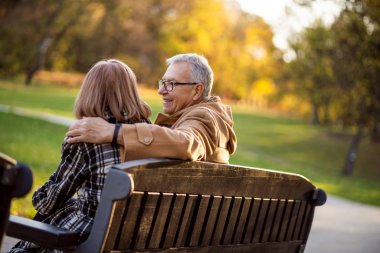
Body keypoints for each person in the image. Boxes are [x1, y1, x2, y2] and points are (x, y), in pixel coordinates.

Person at [9, 59, 151, 253]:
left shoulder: (85, 138)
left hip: (91, 238)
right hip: (134, 237)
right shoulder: (150, 135)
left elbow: (49, 201)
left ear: (89, 92)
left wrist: (38, 197)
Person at [66, 53, 237, 164]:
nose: (161, 91)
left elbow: (187, 143)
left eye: (171, 84)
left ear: (197, 90)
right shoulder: (206, 118)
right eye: (163, 83)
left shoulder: (205, 117)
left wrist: (113, 131)